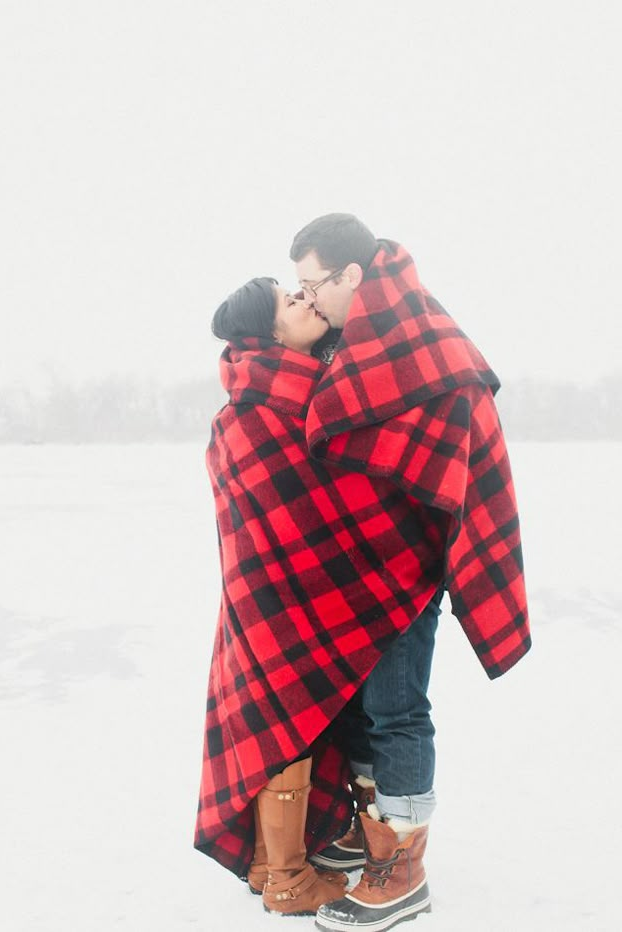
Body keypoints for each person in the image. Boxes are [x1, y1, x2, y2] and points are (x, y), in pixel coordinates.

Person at [194, 276, 473, 918]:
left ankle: (294, 864)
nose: (304, 301)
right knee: (292, 712)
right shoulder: (261, 406)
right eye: (289, 301)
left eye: (304, 289)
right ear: (269, 333)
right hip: (280, 594)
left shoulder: (318, 385)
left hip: (345, 587)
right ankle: (286, 871)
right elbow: (279, 511)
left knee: (337, 713)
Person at [287, 213, 531, 932]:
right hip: (352, 568)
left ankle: (404, 870)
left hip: (403, 571)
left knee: (397, 715)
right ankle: (372, 840)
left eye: (313, 284)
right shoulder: (352, 341)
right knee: (361, 714)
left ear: (351, 276)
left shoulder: (423, 338)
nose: (309, 300)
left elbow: (455, 440)